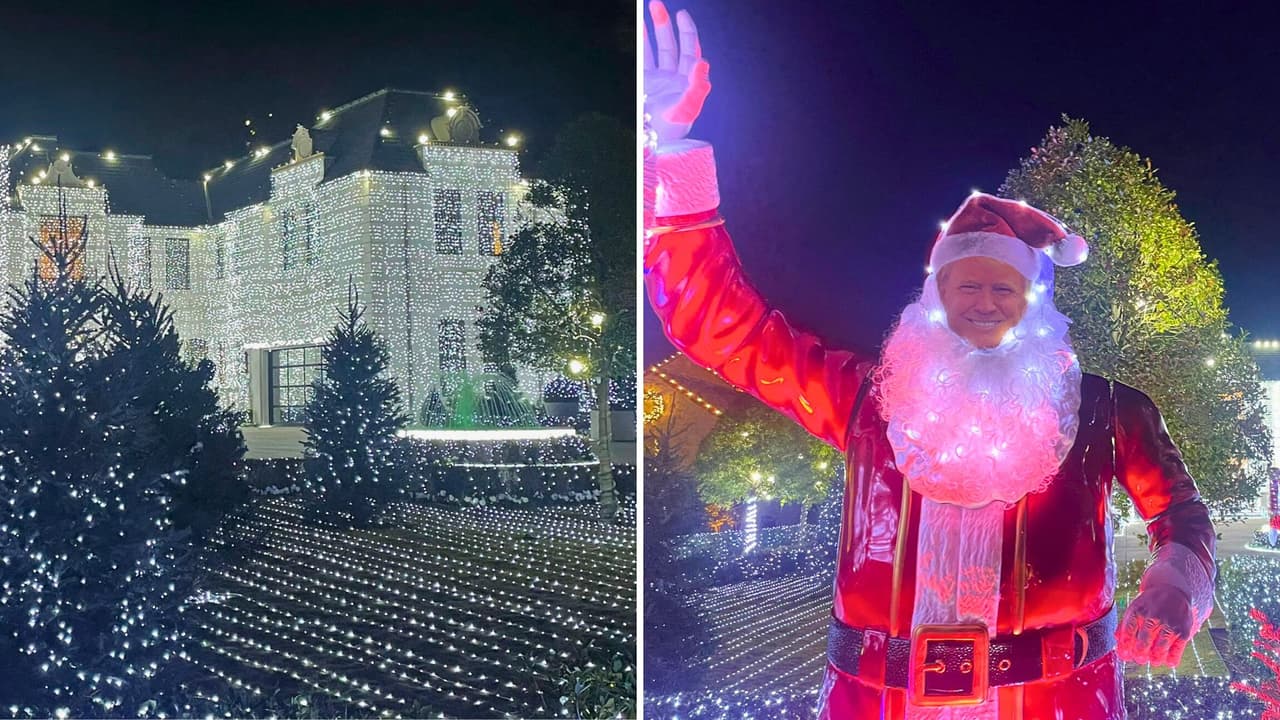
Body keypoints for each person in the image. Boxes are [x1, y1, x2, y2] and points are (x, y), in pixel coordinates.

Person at [642, 3, 1217, 718]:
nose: (983, 301)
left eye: (1002, 286)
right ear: (934, 296)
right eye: (966, 284)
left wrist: (1175, 584)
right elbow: (722, 329)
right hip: (879, 703)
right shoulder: (866, 401)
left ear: (1032, 302)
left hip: (1056, 703)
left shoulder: (1105, 411)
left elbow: (1182, 512)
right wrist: (672, 145)